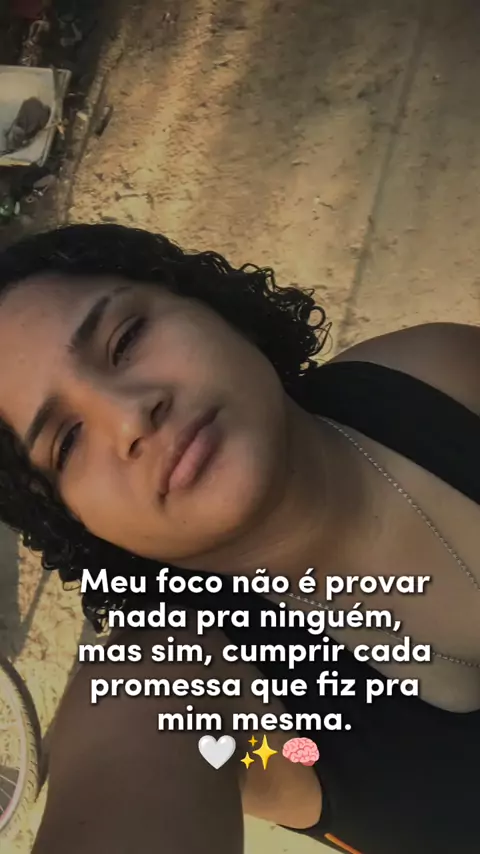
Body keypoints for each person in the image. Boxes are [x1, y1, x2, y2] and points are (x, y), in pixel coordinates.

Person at [0, 223, 478, 854]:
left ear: (211, 305)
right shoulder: (169, 680)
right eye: (67, 442)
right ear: (72, 519)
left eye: (127, 338)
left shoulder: (438, 373)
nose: (130, 414)